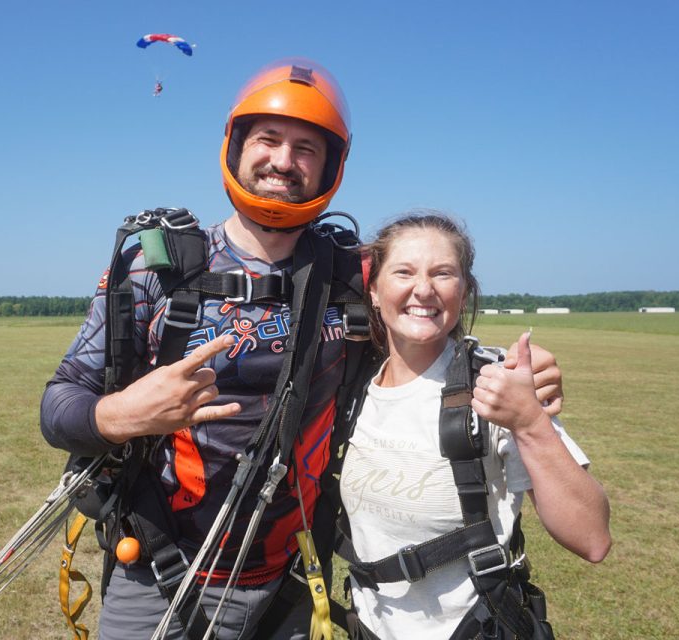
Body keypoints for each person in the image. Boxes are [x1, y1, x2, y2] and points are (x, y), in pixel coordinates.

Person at [41, 59, 566, 640]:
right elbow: (60, 403)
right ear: (237, 147)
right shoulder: (156, 268)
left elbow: (423, 314)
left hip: (289, 579)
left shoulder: (350, 276)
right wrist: (121, 414)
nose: (283, 162)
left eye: (306, 148)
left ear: (330, 167)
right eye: (268, 139)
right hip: (159, 570)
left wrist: (511, 369)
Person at [337, 212, 612, 640]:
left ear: (463, 292)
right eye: (403, 271)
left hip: (473, 628)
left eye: (443, 273)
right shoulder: (351, 387)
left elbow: (592, 538)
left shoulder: (498, 385)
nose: (423, 289)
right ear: (373, 291)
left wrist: (530, 423)